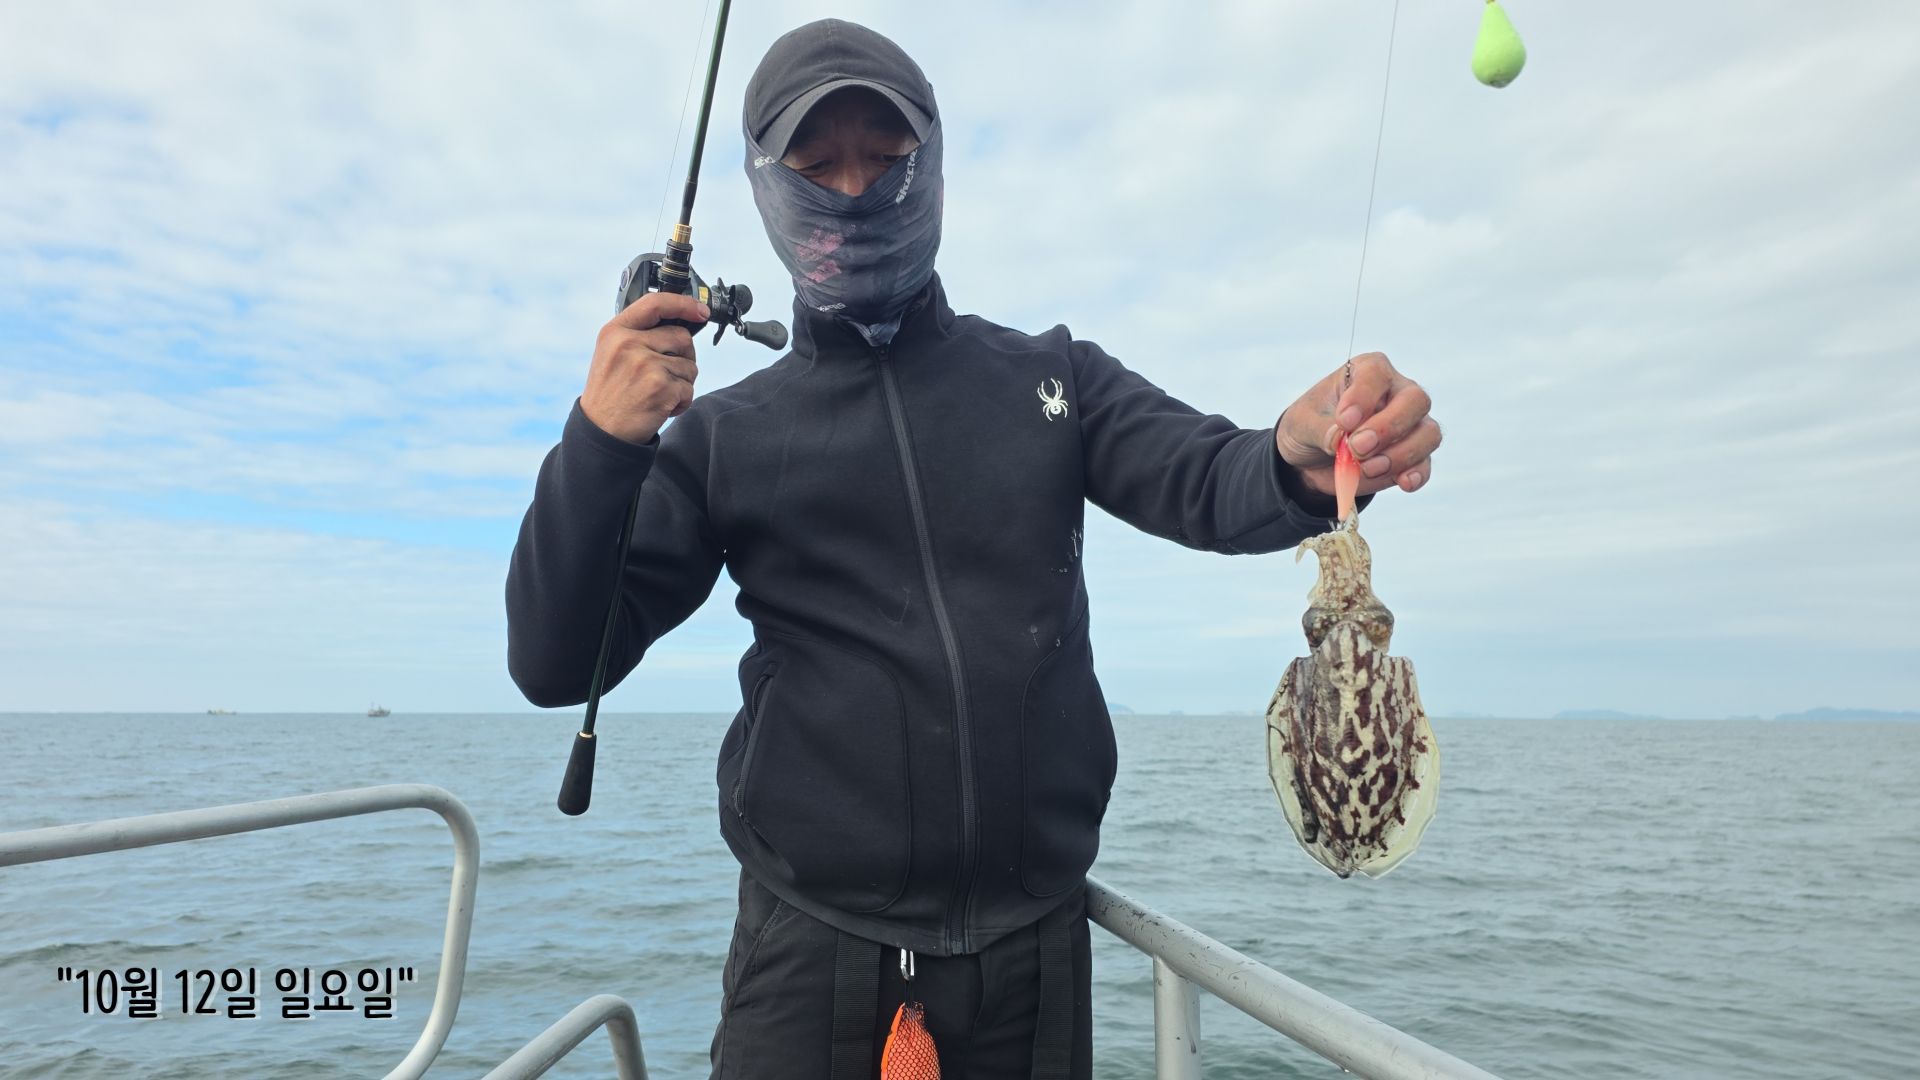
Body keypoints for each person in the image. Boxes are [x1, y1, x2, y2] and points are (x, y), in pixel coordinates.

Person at [506, 18, 1440, 1080]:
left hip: (1031, 963)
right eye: (817, 166)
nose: (855, 190)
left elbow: (1209, 477)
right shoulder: (724, 437)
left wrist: (1302, 459)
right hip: (810, 956)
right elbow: (554, 659)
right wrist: (601, 441)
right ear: (767, 189)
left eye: (886, 156)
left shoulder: (1053, 379)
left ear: (935, 164)